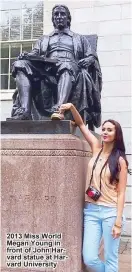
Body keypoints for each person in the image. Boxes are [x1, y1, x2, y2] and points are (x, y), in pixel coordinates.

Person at [59, 102, 129, 272]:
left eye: (109, 130)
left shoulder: (120, 161)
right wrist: (72, 108)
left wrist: (118, 221)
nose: (105, 132)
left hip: (110, 212)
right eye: (104, 129)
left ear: (116, 134)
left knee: (111, 258)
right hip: (91, 211)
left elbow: (121, 192)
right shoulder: (95, 148)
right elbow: (82, 124)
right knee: (89, 258)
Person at [11, 5, 102, 129]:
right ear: (53, 19)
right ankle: (24, 110)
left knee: (66, 66)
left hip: (69, 65)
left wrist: (88, 59)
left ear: (68, 18)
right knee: (19, 64)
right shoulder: (44, 39)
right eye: (56, 15)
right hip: (47, 67)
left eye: (62, 14)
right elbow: (35, 53)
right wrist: (26, 55)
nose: (59, 17)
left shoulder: (79, 38)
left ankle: (60, 109)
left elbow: (92, 56)